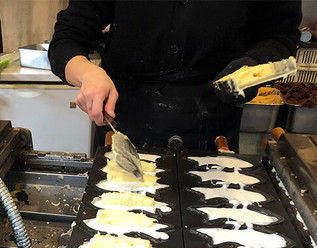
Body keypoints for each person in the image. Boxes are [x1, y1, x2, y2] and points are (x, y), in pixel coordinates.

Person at [48, 0, 301, 152]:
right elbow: (67, 39)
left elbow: (280, 37)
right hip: (123, 121)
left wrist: (252, 67)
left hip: (213, 126)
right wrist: (89, 73)